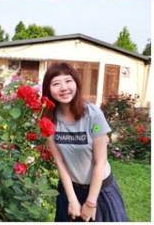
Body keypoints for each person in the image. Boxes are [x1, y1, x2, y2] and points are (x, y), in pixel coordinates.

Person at [43, 62, 129, 222]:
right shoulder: (49, 119)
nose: (63, 88)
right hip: (70, 190)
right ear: (48, 89)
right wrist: (72, 199)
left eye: (68, 81)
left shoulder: (93, 115)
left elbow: (100, 161)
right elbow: (60, 162)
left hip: (100, 190)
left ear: (76, 83)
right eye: (56, 83)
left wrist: (91, 202)